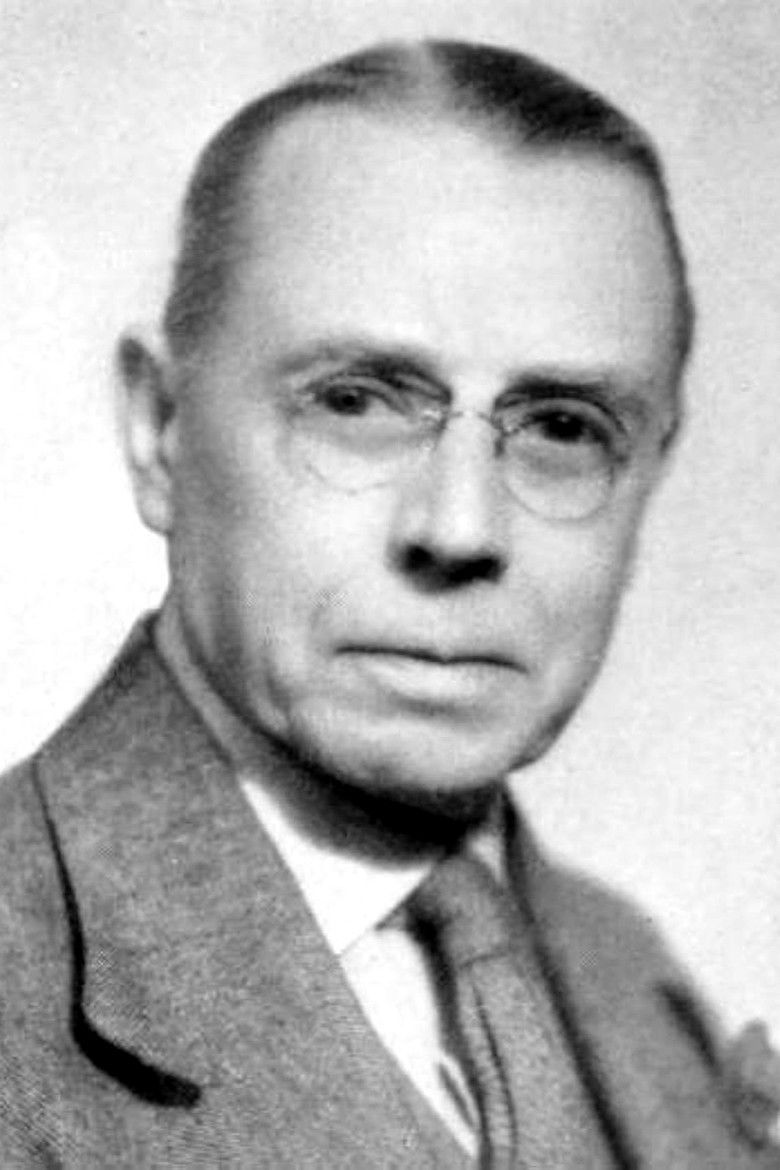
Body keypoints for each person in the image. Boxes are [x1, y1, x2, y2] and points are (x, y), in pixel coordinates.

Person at [0, 37, 777, 1168]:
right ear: (160, 429)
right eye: (356, 401)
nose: (460, 529)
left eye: (564, 427)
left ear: (651, 466)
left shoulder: (637, 979)